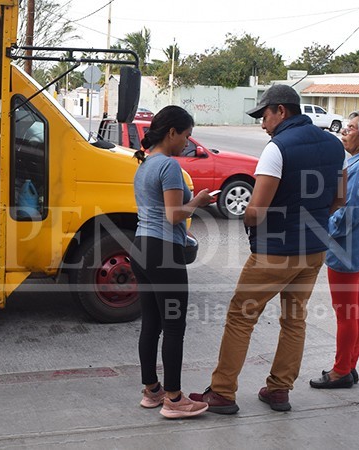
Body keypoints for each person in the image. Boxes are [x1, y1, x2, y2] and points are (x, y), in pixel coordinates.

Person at [189, 84, 346, 414]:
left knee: (240, 317)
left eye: (264, 116)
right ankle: (279, 390)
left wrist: (246, 218)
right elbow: (339, 199)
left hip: (275, 251)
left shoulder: (278, 149)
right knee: (294, 319)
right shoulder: (335, 145)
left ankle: (222, 392)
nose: (262, 124)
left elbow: (256, 211)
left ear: (281, 111)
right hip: (314, 250)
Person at [130, 105, 214, 419]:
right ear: (172, 132)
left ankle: (152, 390)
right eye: (186, 136)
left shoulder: (144, 164)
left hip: (141, 247)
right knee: (174, 327)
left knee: (151, 324)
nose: (188, 142)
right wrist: (199, 201)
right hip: (164, 251)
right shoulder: (168, 166)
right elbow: (174, 215)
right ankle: (175, 399)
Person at [309, 110, 359, 389]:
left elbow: (347, 216)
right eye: (346, 126)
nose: (344, 131)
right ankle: (349, 365)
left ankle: (341, 370)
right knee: (355, 312)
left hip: (347, 252)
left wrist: (321, 230)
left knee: (346, 314)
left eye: (352, 128)